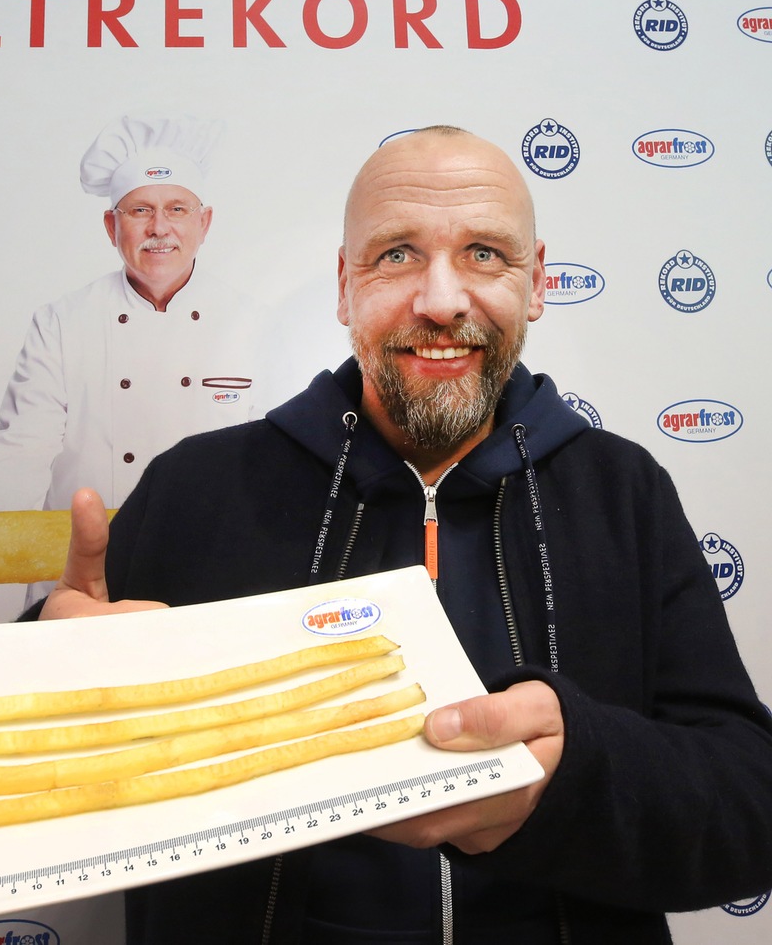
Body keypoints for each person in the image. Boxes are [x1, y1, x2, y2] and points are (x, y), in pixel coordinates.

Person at [38, 126, 772, 943]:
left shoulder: (621, 490)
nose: (442, 300)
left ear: (536, 284)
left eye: (486, 254)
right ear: (345, 288)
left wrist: (575, 778)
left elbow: (749, 810)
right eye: (396, 256)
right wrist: (43, 670)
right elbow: (18, 767)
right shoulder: (197, 489)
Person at [0, 113, 269, 606]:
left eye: (177, 208)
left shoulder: (254, 325)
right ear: (111, 226)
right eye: (139, 212)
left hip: (209, 572)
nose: (160, 229)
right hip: (82, 580)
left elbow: (273, 464)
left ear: (205, 222)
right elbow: (23, 444)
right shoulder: (63, 321)